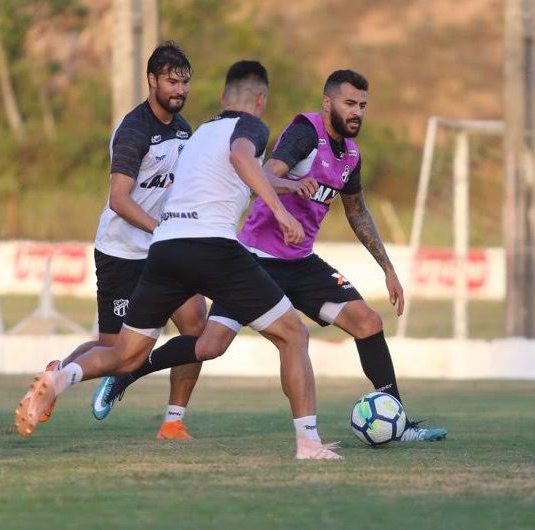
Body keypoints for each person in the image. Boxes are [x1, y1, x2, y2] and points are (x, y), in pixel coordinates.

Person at [93, 69, 447, 442]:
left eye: (362, 105)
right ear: (328, 103)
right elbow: (266, 173)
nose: (357, 111)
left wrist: (387, 268)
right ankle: (129, 371)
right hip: (255, 259)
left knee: (368, 323)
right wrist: (290, 191)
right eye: (349, 103)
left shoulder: (351, 156)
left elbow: (357, 212)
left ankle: (398, 420)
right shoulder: (305, 133)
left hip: (301, 263)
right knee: (209, 346)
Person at [14, 60, 342, 460]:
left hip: (166, 249)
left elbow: (242, 172)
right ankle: (308, 443)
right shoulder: (252, 127)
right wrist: (281, 211)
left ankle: (63, 377)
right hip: (210, 248)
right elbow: (242, 159)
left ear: (222, 98)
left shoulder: (200, 132)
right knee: (294, 334)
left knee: (127, 354)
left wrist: (288, 186)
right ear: (261, 100)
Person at [36, 42, 206, 441]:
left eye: (185, 82)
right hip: (122, 253)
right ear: (152, 81)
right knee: (116, 354)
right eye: (171, 81)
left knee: (198, 326)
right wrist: (160, 230)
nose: (179, 90)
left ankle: (173, 422)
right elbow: (119, 199)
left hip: (164, 253)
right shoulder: (134, 130)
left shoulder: (184, 130)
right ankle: (55, 377)